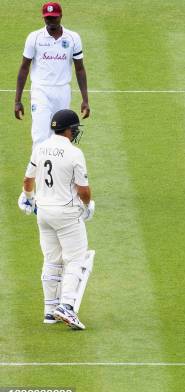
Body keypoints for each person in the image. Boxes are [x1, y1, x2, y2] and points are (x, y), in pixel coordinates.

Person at [18, 109, 95, 330]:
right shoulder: (74, 153)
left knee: (52, 260)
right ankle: (67, 305)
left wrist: (30, 199)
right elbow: (84, 190)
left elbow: (27, 180)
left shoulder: (40, 148)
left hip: (43, 213)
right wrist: (87, 206)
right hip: (66, 214)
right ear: (69, 130)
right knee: (75, 259)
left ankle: (50, 311)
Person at [15, 2, 90, 145]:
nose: (51, 21)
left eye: (54, 17)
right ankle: (37, 168)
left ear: (61, 16)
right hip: (40, 90)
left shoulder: (73, 38)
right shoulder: (34, 37)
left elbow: (79, 69)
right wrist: (17, 101)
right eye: (48, 18)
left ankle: (57, 167)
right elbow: (24, 67)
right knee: (40, 136)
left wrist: (85, 100)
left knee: (62, 136)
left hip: (63, 91)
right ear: (43, 18)